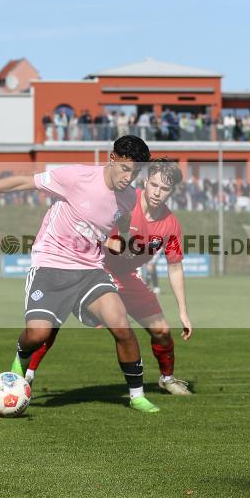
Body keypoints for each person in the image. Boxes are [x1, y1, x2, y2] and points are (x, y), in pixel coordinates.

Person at [0, 135, 160, 413]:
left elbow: (122, 220)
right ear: (112, 159)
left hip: (90, 270)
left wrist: (124, 241)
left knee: (122, 326)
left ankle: (137, 395)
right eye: (126, 169)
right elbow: (23, 181)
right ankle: (21, 357)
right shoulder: (75, 176)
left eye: (136, 172)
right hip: (50, 265)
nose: (129, 178)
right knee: (38, 334)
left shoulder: (128, 197)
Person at [26, 160, 194, 396]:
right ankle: (26, 376)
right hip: (94, 268)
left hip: (127, 277)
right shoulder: (123, 199)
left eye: (164, 189)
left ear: (172, 191)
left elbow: (175, 267)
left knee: (162, 331)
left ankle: (167, 379)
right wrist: (115, 244)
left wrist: (183, 312)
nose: (157, 192)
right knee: (51, 323)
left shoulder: (171, 224)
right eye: (153, 185)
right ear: (145, 182)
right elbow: (91, 228)